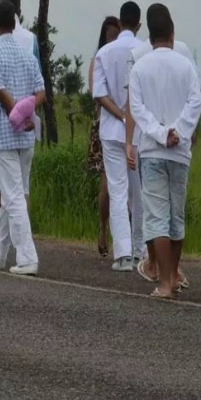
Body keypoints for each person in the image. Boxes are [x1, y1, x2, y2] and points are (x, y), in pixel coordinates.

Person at [129, 3, 201, 298]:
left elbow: (137, 109)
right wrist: (178, 132)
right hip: (179, 151)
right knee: (176, 215)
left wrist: (161, 134)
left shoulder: (140, 67)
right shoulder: (186, 65)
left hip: (153, 150)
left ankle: (164, 283)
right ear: (172, 33)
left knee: (156, 215)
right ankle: (173, 273)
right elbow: (195, 103)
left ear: (150, 35)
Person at [0, 0, 45, 275]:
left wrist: (17, 114)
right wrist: (29, 112)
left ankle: (28, 256)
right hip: (26, 137)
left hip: (4, 135)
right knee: (12, 195)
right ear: (15, 21)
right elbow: (40, 91)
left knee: (14, 196)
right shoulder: (27, 55)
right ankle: (0, 252)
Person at [93, 1, 146, 272]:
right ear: (138, 25)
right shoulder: (144, 50)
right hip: (139, 133)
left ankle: (123, 254)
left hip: (112, 131)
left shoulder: (105, 52)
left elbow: (100, 94)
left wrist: (120, 115)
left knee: (117, 190)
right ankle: (141, 252)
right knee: (139, 193)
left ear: (121, 23)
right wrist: (131, 116)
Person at [87, 16, 120, 258]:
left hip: (127, 124)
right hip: (104, 125)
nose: (113, 39)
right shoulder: (98, 59)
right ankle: (102, 227)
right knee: (107, 185)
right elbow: (95, 92)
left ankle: (125, 239)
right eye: (109, 35)